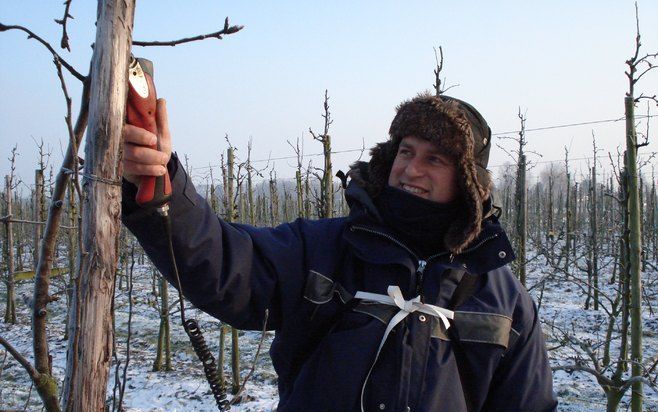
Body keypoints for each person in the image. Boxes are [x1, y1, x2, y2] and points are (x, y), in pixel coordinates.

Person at [122, 93, 558, 411]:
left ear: (467, 182)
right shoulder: (325, 249)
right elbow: (228, 264)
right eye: (406, 151)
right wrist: (161, 189)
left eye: (435, 160)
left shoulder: (504, 302)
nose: (411, 169)